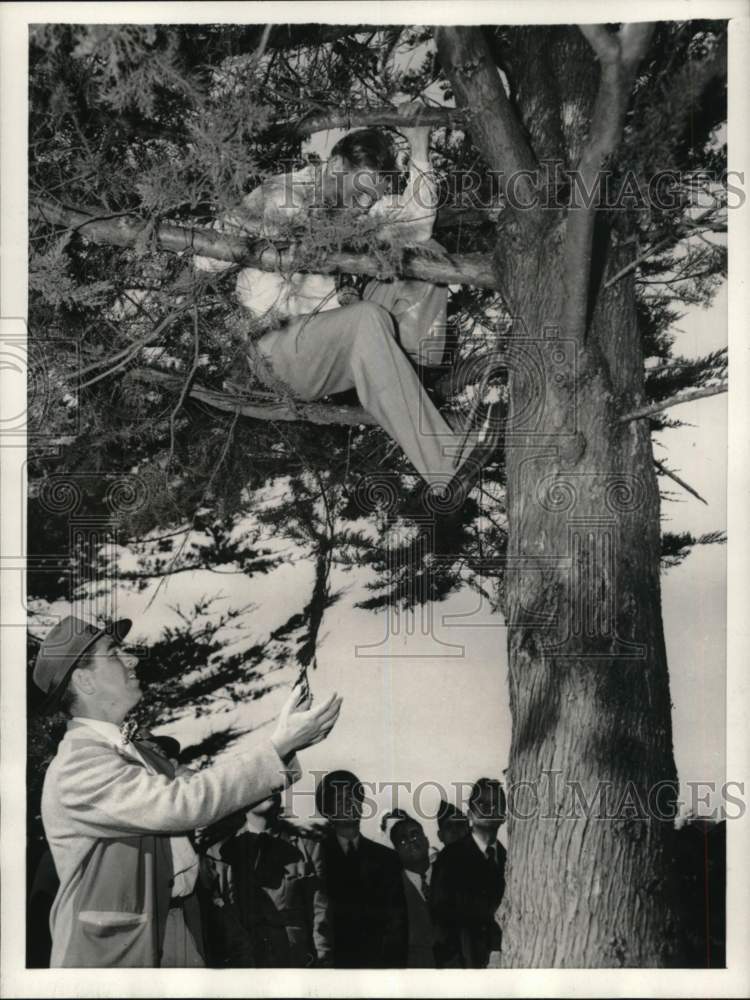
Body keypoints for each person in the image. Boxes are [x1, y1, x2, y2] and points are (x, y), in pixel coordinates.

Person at [195, 108, 496, 498]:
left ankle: (408, 369)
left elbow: (418, 226)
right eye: (358, 192)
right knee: (365, 319)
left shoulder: (358, 213)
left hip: (338, 339)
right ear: (336, 164)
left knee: (427, 252)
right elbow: (202, 258)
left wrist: (420, 148)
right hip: (280, 350)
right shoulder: (281, 195)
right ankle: (446, 467)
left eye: (370, 198)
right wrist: (267, 237)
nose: (361, 205)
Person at [33, 614, 341, 968]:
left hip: (174, 928)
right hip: (114, 953)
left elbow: (208, 793)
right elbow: (184, 803)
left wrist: (282, 749)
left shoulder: (137, 753)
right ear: (84, 680)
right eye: (114, 653)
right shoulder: (78, 763)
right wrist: (276, 746)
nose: (132, 659)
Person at [202, 792, 332, 967]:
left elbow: (320, 913)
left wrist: (322, 960)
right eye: (259, 784)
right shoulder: (220, 852)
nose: (269, 790)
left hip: (294, 959)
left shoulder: (308, 848)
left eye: (274, 786)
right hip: (243, 963)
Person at [315, 770, 407, 968]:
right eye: (339, 798)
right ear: (327, 809)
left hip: (378, 968)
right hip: (332, 968)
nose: (348, 803)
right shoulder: (317, 856)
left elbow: (397, 924)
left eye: (353, 796)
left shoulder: (387, 859)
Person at [431, 777, 507, 968]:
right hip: (465, 969)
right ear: (470, 814)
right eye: (482, 803)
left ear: (504, 815)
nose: (489, 808)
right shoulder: (450, 858)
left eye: (495, 804)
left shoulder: (510, 859)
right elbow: (440, 924)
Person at [383, 811, 439, 968]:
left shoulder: (448, 877)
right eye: (402, 841)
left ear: (427, 841)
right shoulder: (391, 891)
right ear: (396, 851)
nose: (410, 842)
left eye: (414, 835)